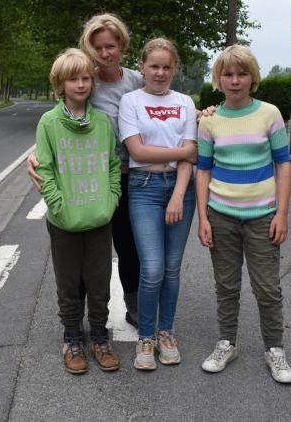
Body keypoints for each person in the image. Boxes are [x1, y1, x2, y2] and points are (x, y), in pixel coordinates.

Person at [28, 13, 143, 327]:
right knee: (85, 256)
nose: (105, 53)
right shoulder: (85, 80)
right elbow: (65, 122)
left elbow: (164, 105)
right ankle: (75, 321)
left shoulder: (136, 80)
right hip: (94, 181)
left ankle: (133, 305)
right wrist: (39, 151)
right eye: (98, 48)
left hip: (135, 176)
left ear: (122, 44)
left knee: (130, 247)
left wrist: (201, 113)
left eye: (111, 46)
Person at [196, 44, 291, 384]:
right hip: (221, 215)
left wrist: (281, 213)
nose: (235, 80)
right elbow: (203, 171)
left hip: (262, 216)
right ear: (218, 79)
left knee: (267, 288)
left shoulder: (270, 114)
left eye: (242, 73)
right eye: (228, 74)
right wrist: (203, 218)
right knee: (226, 286)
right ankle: (227, 342)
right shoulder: (209, 121)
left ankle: (275, 350)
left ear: (252, 77)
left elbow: (283, 164)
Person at [35, 48, 121, 374]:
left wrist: (111, 199)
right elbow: (45, 170)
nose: (81, 84)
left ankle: (99, 336)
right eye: (73, 79)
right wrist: (58, 205)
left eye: (86, 78)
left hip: (99, 218)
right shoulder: (49, 123)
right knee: (69, 284)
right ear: (60, 84)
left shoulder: (101, 122)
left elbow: (113, 165)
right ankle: (73, 337)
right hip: (64, 221)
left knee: (100, 282)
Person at [118, 38, 197, 371]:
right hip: (144, 187)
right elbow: (137, 151)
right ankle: (146, 336)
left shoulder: (186, 103)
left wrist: (179, 194)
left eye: (167, 67)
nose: (160, 73)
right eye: (154, 66)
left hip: (181, 188)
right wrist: (181, 152)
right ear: (143, 67)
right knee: (151, 268)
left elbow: (191, 155)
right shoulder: (130, 101)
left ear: (174, 68)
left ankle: (167, 332)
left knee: (172, 267)